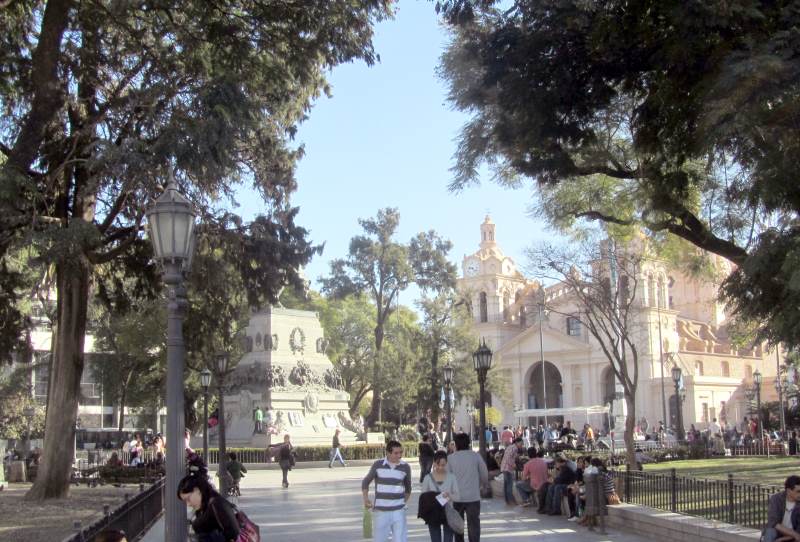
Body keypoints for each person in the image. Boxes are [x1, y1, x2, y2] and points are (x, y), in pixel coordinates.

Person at [363, 440, 412, 542]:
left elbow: (408, 488)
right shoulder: (378, 465)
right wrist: (366, 498)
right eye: (396, 453)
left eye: (401, 452)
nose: (399, 455)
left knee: (401, 540)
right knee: (380, 539)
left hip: (398, 511)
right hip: (381, 512)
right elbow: (365, 482)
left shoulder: (405, 467)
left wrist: (402, 503)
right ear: (388, 453)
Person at [447, 432, 488, 542]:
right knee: (473, 525)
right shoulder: (475, 456)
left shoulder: (450, 458)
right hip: (473, 497)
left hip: (457, 498)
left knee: (458, 526)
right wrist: (484, 485)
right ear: (468, 443)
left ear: (456, 444)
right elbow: (484, 473)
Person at [177, 472, 240, 542]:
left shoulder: (217, 504)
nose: (188, 504)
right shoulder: (203, 509)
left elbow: (235, 533)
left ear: (197, 490)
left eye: (188, 499)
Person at [419, 450, 461, 542]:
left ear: (447, 463)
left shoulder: (451, 477)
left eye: (443, 465)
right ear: (434, 463)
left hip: (448, 512)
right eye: (438, 464)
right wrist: (432, 497)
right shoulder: (427, 478)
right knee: (435, 539)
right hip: (433, 513)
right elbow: (423, 497)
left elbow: (458, 496)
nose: (440, 467)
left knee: (448, 539)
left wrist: (449, 495)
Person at [764, 475, 800, 542]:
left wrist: (781, 539)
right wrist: (795, 535)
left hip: (793, 536)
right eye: (798, 491)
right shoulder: (776, 499)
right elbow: (773, 522)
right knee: (770, 531)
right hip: (778, 532)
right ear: (789, 491)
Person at [500, 437, 524, 505]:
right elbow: (508, 458)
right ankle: (511, 501)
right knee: (509, 485)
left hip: (504, 467)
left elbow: (508, 456)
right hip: (508, 468)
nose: (521, 445)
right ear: (517, 442)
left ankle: (507, 500)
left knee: (506, 484)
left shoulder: (510, 447)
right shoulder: (515, 448)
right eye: (521, 443)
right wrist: (513, 464)